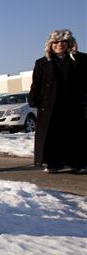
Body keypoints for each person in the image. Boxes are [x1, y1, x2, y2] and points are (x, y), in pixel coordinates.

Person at [28, 29, 87, 174]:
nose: (59, 44)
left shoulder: (80, 60)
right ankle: (53, 163)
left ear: (69, 44)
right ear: (50, 45)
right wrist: (34, 99)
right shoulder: (42, 63)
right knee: (52, 136)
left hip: (74, 105)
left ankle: (77, 163)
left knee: (74, 135)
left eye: (63, 42)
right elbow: (36, 84)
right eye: (56, 42)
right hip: (49, 106)